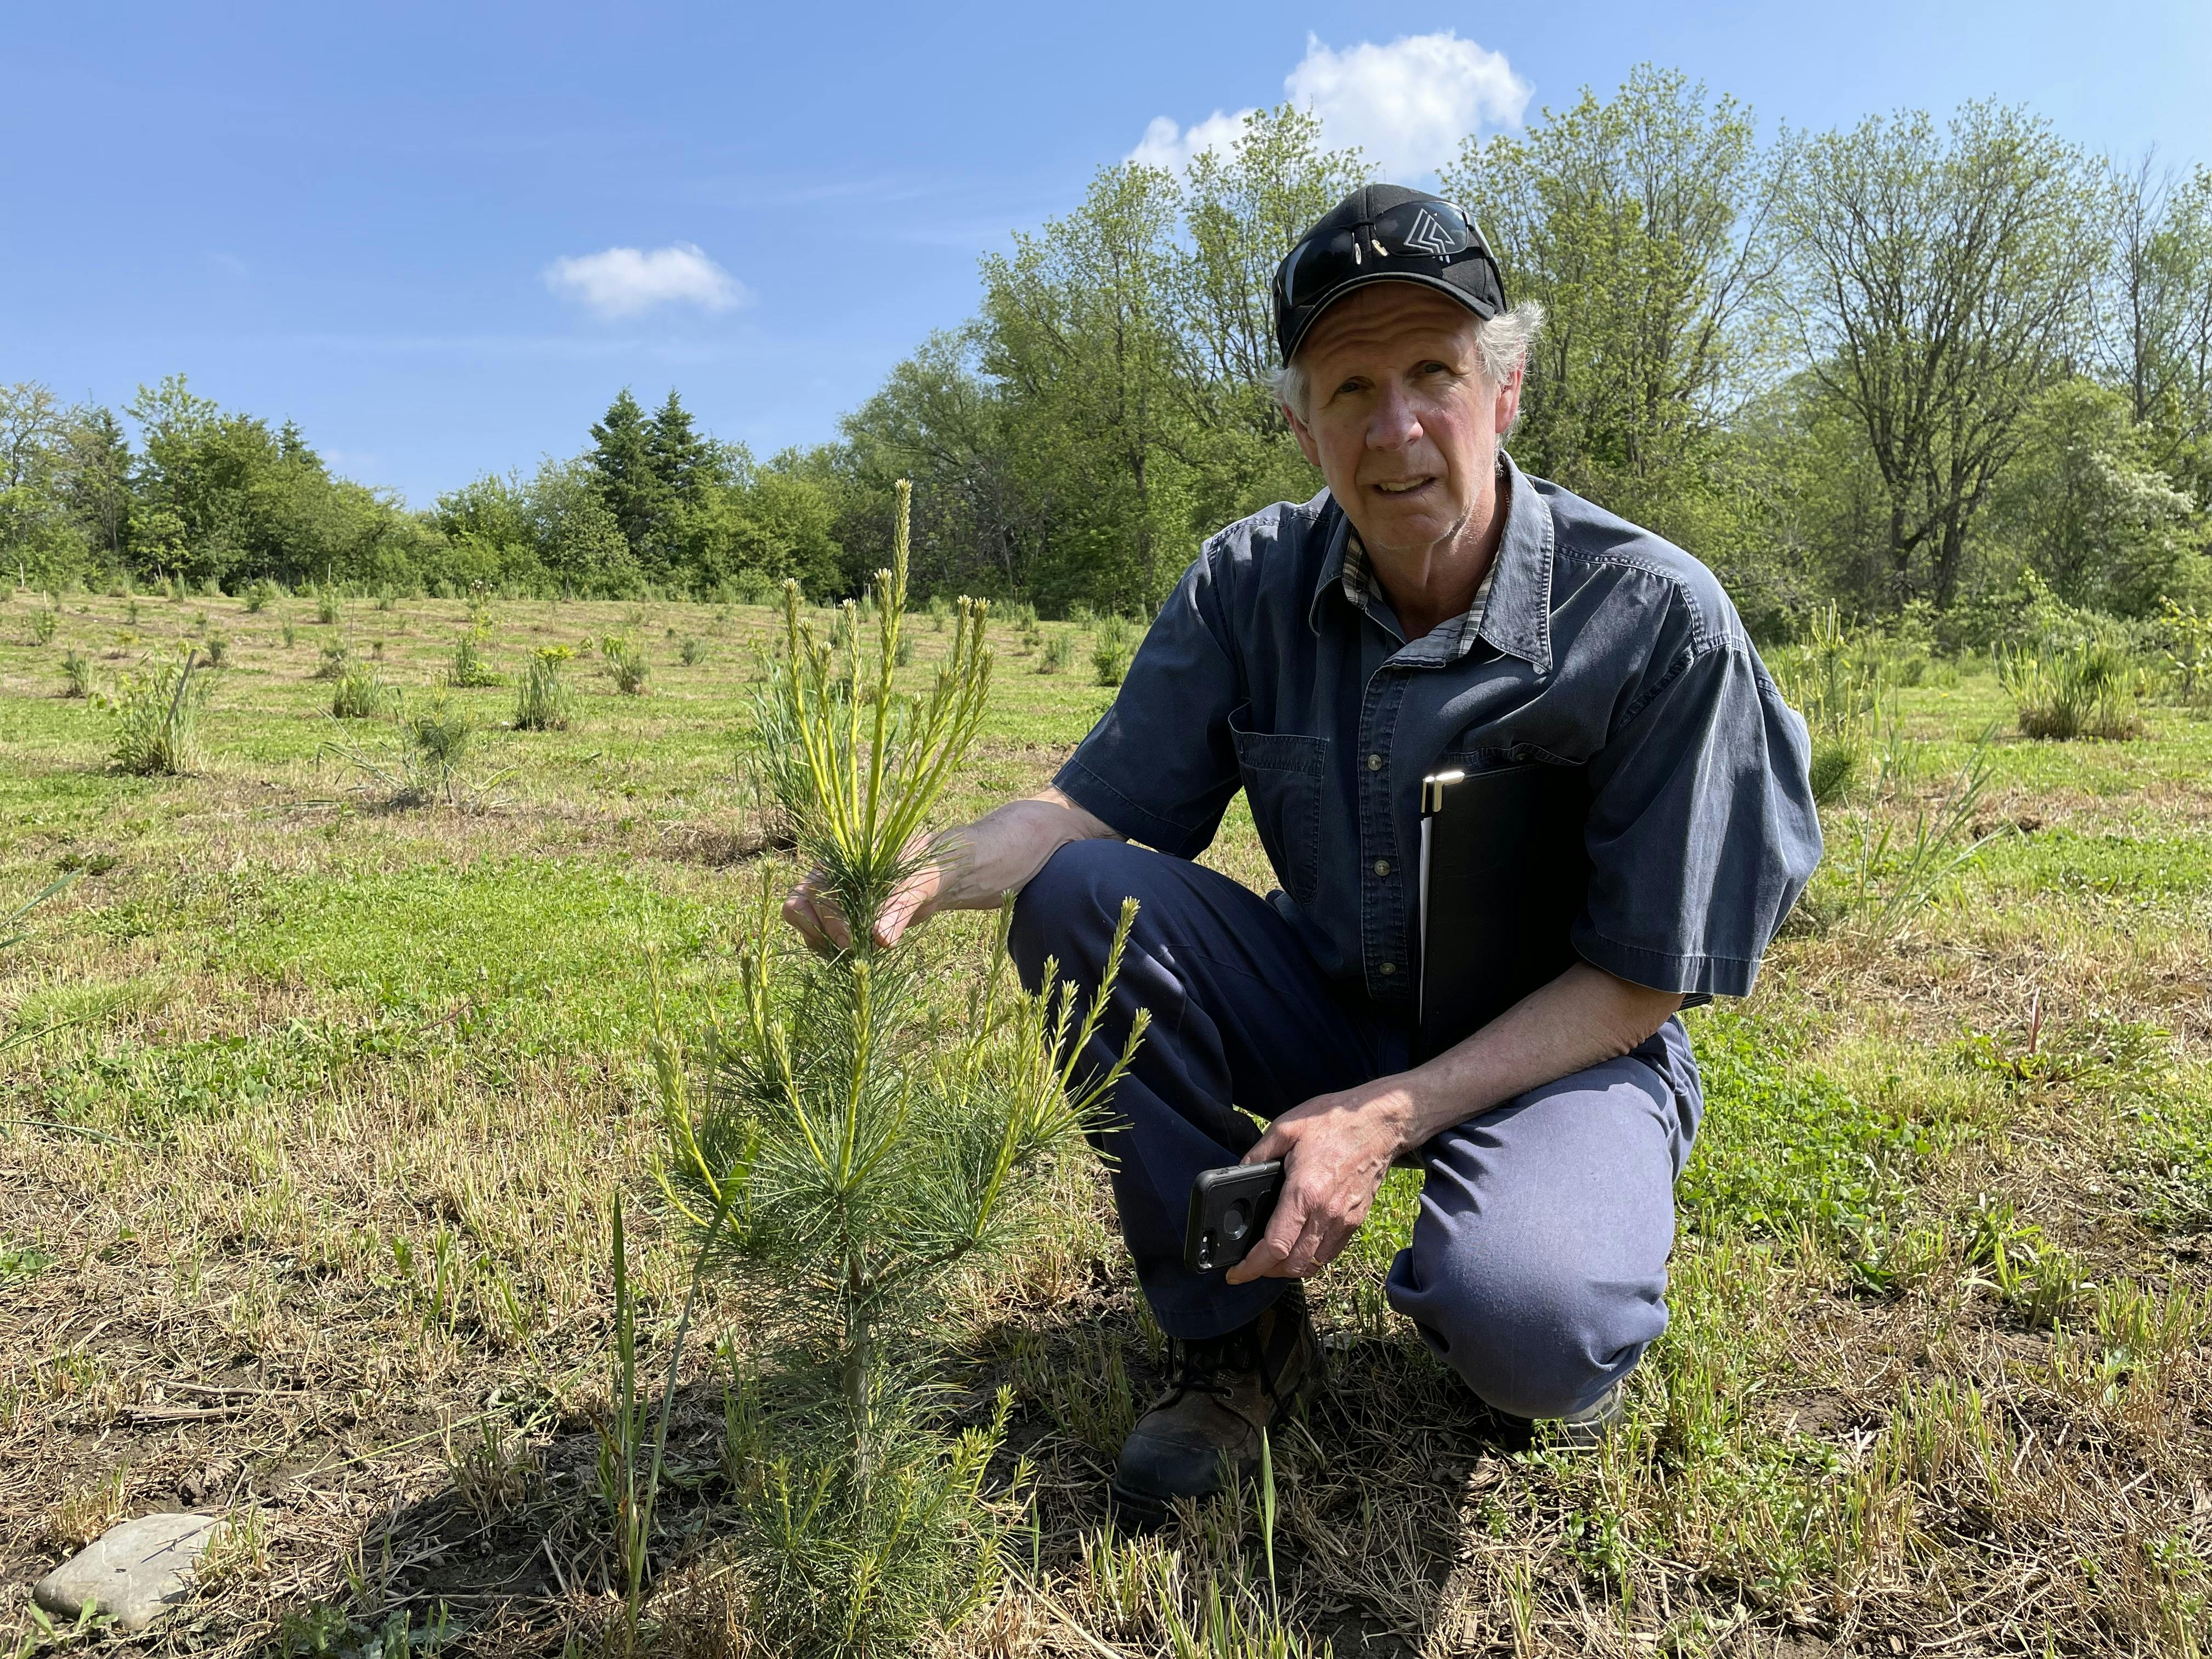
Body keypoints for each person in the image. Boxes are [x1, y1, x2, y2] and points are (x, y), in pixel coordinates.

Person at [785, 184, 1822, 1521]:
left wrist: (1388, 1118)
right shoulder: (1248, 582)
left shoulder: (1654, 617)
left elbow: (1641, 982)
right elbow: (1087, 813)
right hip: (1331, 999)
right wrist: (922, 868)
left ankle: (1524, 1284)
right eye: (1349, 390)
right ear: (1299, 421)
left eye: (1435, 375)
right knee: (1077, 896)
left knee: (1534, 1333)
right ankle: (1237, 1341)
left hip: (1562, 1044)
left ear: (1503, 392)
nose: (1397, 431)